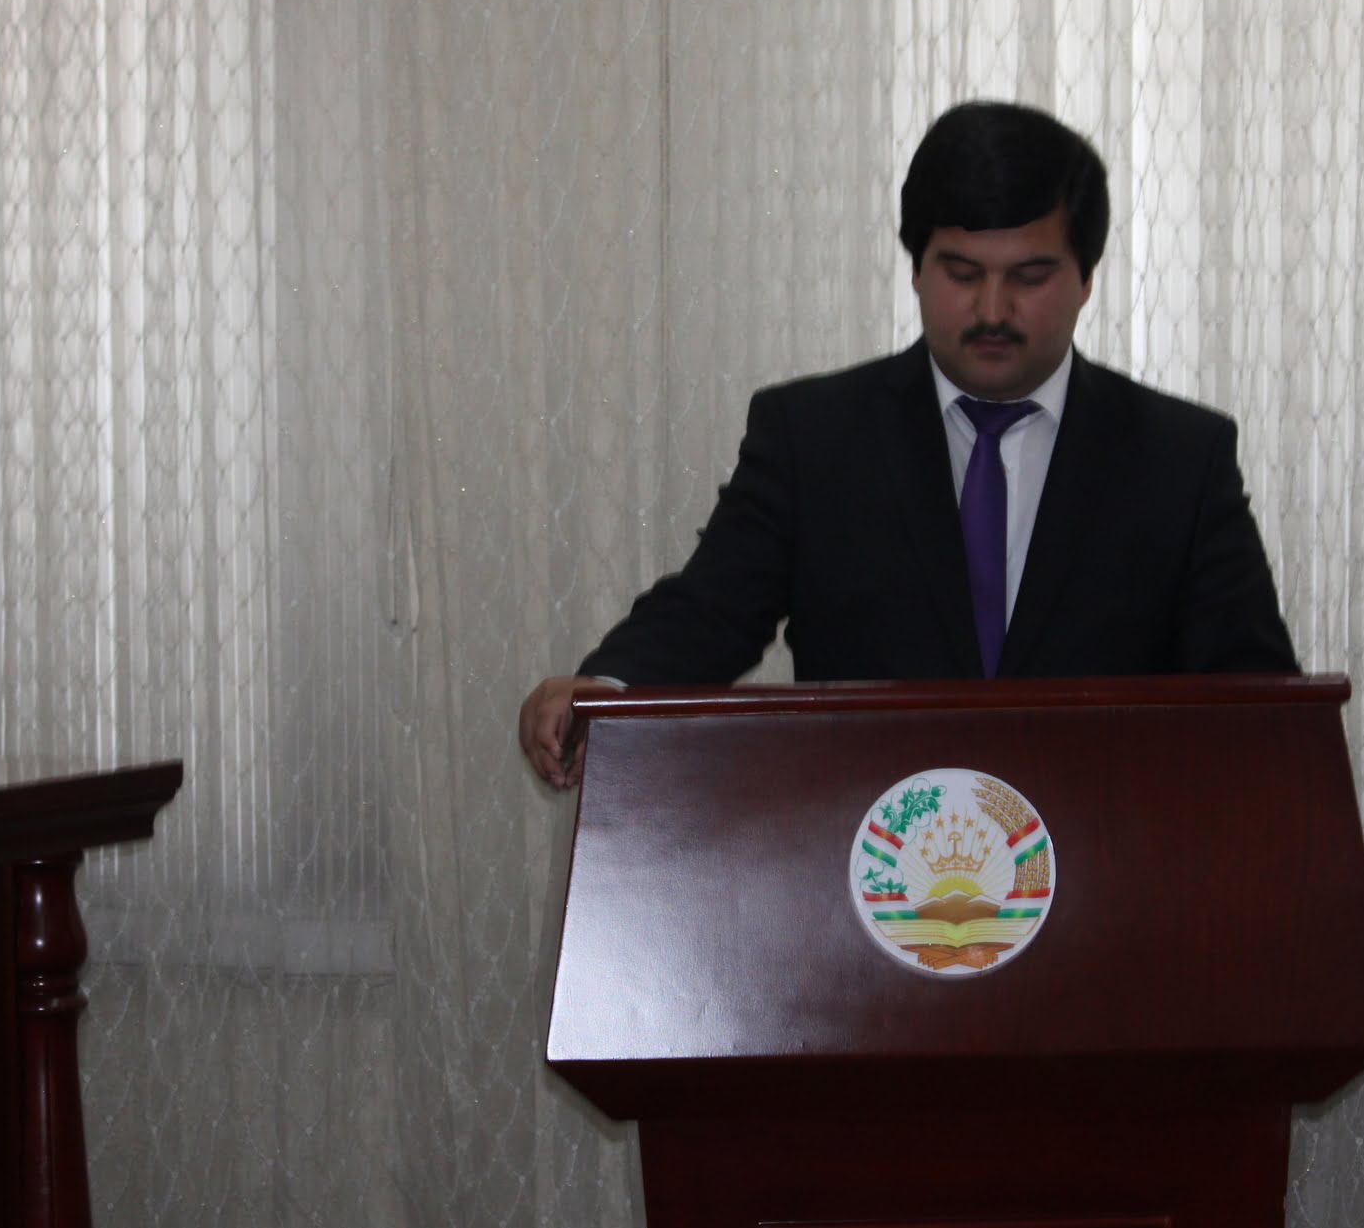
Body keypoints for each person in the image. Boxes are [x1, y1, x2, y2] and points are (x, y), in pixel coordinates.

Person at [520, 101, 1298, 787]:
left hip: (1103, 863)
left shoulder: (1179, 457)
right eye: (961, 273)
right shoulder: (814, 438)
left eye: (1029, 277)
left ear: (1086, 278)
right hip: (867, 859)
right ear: (917, 269)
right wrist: (604, 690)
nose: (992, 310)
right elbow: (710, 611)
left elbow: (1259, 703)